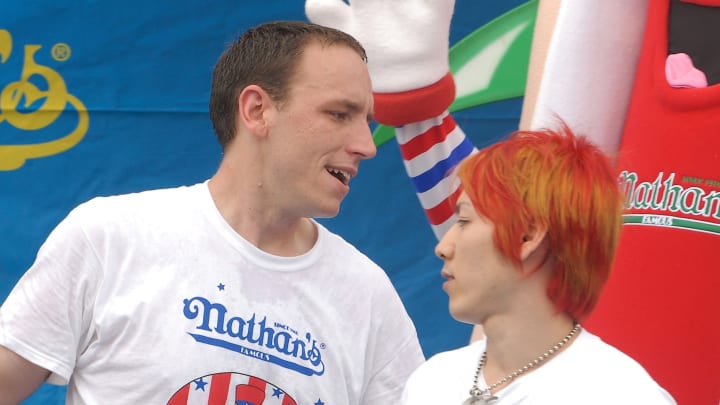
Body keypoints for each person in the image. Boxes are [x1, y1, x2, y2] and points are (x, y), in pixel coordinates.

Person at [0, 21, 424, 404]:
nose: (367, 145)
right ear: (257, 110)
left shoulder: (368, 294)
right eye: (339, 114)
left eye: (366, 120)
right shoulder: (109, 238)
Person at [400, 125, 676, 404]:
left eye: (464, 221)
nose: (443, 247)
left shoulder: (621, 395)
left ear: (527, 236)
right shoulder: (432, 381)